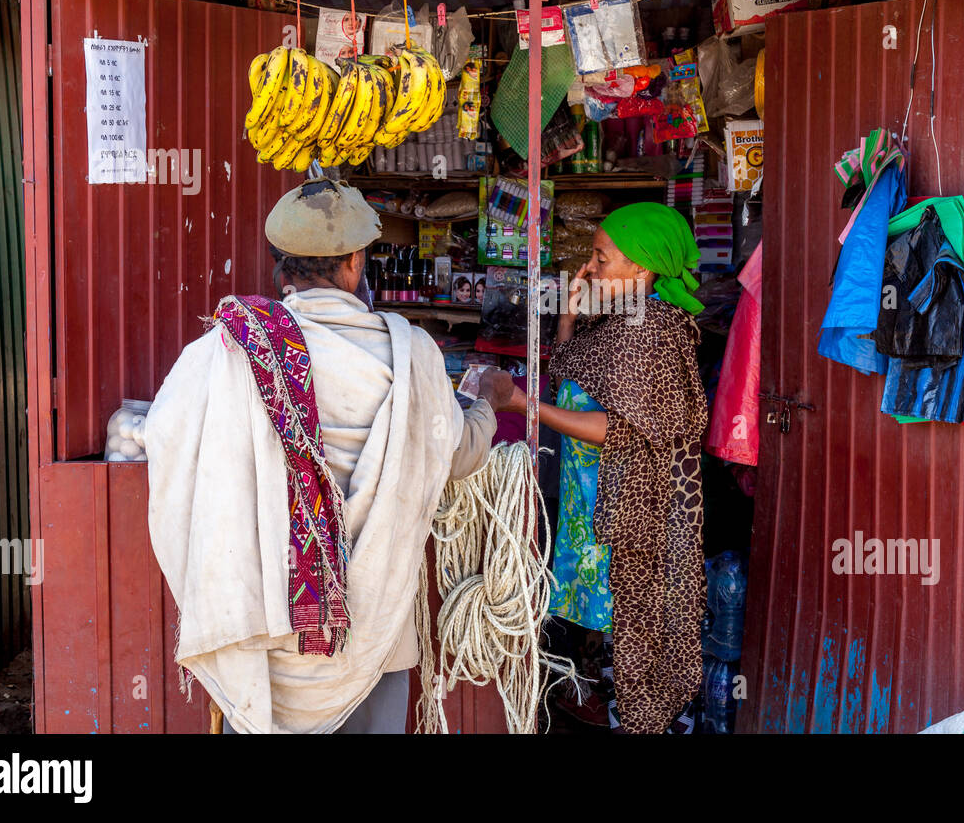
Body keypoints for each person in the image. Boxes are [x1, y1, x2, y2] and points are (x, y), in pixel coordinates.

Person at [146, 178, 512, 734]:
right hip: (375, 636)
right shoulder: (413, 354)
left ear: (281, 266)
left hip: (266, 628)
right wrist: (486, 401)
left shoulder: (227, 350)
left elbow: (166, 441)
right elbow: (459, 454)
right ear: (355, 263)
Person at [493, 202, 709, 734]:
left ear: (643, 267)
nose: (589, 269)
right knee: (610, 639)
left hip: (628, 514)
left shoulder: (650, 330)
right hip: (594, 505)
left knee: (633, 639)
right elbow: (571, 374)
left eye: (601, 258)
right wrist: (568, 314)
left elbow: (616, 428)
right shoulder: (622, 318)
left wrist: (522, 404)